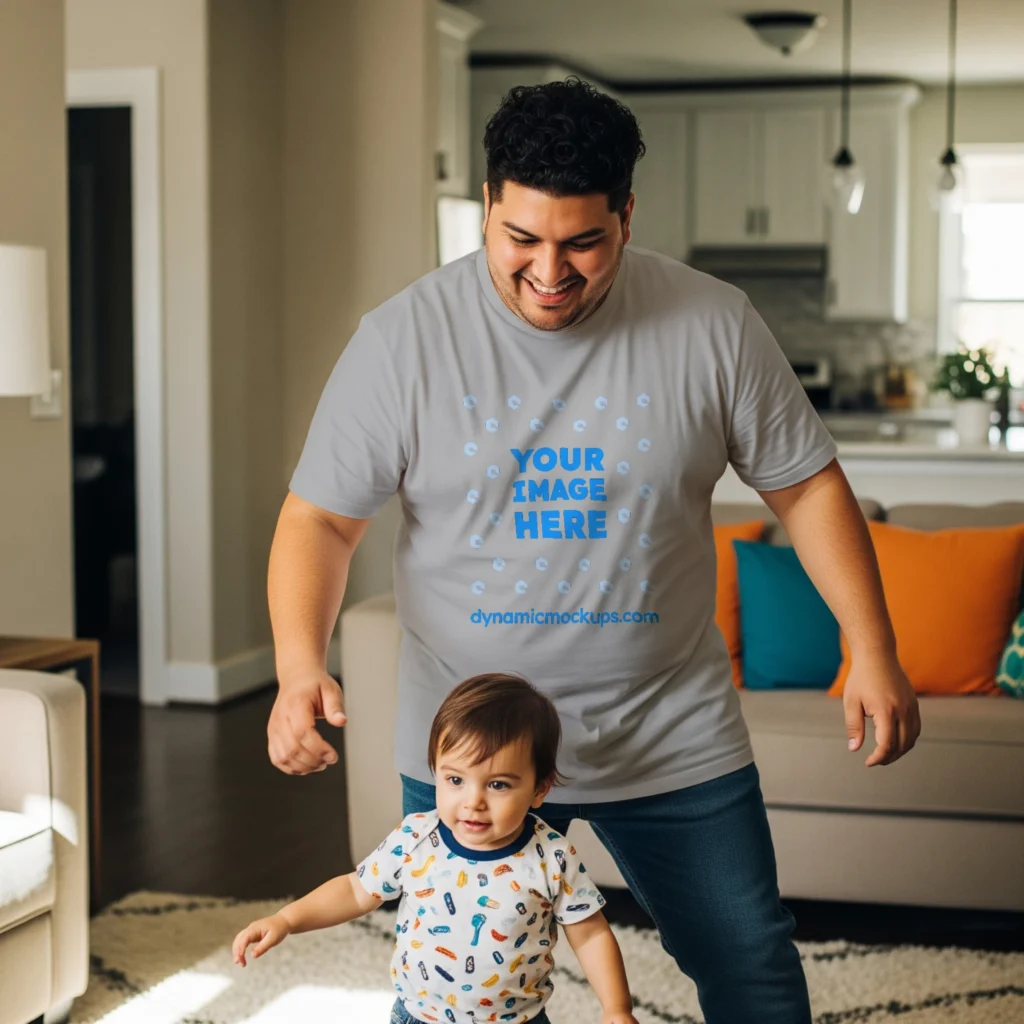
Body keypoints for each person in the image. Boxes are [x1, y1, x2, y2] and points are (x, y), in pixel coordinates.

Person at [266, 78, 921, 1023]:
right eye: (520, 239)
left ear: (626, 216)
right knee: (459, 989)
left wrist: (872, 644)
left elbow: (805, 484)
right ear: (487, 207)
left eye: (582, 242)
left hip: (671, 727)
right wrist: (297, 666)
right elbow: (320, 520)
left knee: (748, 962)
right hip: (474, 748)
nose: (548, 271)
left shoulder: (712, 323)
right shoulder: (402, 341)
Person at [236, 674, 639, 1024]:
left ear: (539, 789)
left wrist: (616, 1007)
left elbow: (589, 933)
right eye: (455, 780)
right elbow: (355, 890)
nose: (473, 802)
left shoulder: (552, 856)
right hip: (419, 1017)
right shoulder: (416, 839)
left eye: (498, 784)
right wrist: (287, 919)